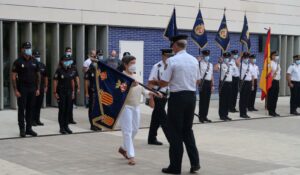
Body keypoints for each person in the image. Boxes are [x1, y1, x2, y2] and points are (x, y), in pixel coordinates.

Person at [152, 35, 201, 174]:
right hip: (191, 97)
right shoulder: (194, 60)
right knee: (187, 130)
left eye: (172, 46)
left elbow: (164, 83)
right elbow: (198, 81)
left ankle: (175, 166)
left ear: (175, 46)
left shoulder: (172, 61)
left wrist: (155, 82)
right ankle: (195, 163)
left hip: (177, 98)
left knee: (175, 132)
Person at [118, 55, 160, 166]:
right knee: (127, 131)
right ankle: (131, 156)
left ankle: (123, 148)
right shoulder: (121, 76)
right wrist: (130, 85)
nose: (134, 65)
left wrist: (150, 93)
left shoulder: (137, 76)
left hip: (136, 106)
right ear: (125, 64)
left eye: (135, 63)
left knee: (135, 129)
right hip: (125, 107)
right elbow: (120, 90)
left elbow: (142, 90)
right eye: (132, 63)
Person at [11, 42, 40, 137]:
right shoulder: (18, 61)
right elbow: (13, 77)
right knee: (21, 109)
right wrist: (16, 90)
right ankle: (22, 129)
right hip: (22, 89)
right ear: (22, 49)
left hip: (32, 88)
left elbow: (38, 75)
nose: (28, 49)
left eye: (29, 48)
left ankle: (29, 128)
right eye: (26, 48)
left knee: (30, 109)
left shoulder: (35, 61)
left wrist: (38, 88)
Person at [147, 48, 172, 145]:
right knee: (164, 118)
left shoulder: (171, 66)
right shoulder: (157, 67)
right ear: (163, 56)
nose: (169, 58)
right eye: (167, 56)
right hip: (157, 94)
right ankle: (171, 140)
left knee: (156, 118)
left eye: (170, 56)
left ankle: (151, 138)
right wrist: (151, 98)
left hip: (166, 94)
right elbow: (150, 83)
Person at [53, 55, 75, 134]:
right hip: (61, 92)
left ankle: (66, 126)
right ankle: (61, 127)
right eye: (65, 60)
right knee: (62, 109)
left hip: (69, 92)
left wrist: (73, 92)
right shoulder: (59, 70)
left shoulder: (71, 69)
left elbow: (72, 81)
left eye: (68, 60)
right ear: (62, 61)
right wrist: (55, 92)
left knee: (68, 109)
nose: (67, 62)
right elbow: (55, 81)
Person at [214, 52, 233, 121]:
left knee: (228, 100)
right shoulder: (221, 64)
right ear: (224, 58)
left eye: (228, 57)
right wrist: (219, 62)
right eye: (226, 57)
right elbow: (215, 69)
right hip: (223, 84)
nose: (227, 59)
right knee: (223, 100)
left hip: (230, 84)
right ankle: (222, 115)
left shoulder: (231, 65)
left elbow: (238, 66)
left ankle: (226, 114)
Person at [84, 56, 102, 131]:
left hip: (99, 92)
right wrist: (86, 92)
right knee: (92, 109)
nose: (95, 63)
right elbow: (86, 82)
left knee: (98, 109)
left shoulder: (99, 70)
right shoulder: (89, 71)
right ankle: (92, 125)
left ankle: (97, 124)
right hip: (92, 92)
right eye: (94, 61)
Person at [32, 50, 48, 126]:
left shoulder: (42, 65)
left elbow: (45, 77)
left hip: (41, 87)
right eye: (36, 56)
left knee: (39, 104)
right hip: (33, 87)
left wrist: (46, 86)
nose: (37, 58)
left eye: (38, 56)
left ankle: (37, 119)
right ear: (32, 56)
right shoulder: (31, 64)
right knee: (33, 104)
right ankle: (32, 120)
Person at [198, 49, 214, 123]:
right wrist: (198, 60)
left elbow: (211, 75)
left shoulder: (210, 65)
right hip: (202, 82)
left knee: (207, 100)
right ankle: (201, 117)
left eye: (208, 55)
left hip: (208, 83)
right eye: (205, 55)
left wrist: (212, 85)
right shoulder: (199, 63)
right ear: (203, 55)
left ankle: (205, 116)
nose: (207, 57)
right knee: (202, 100)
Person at [239, 52, 254, 118]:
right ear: (243, 58)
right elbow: (237, 62)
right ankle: (242, 113)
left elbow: (252, 76)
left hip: (249, 83)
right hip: (243, 82)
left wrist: (252, 85)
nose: (246, 59)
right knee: (242, 98)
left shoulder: (250, 65)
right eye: (245, 57)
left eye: (247, 57)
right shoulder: (241, 64)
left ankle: (245, 112)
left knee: (247, 98)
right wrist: (240, 56)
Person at [267, 51, 281, 117]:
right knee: (271, 97)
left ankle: (274, 110)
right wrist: (274, 75)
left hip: (277, 81)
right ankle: (271, 111)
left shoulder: (277, 64)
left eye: (277, 55)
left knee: (275, 97)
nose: (276, 56)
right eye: (275, 55)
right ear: (272, 56)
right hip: (272, 81)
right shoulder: (270, 63)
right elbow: (268, 74)